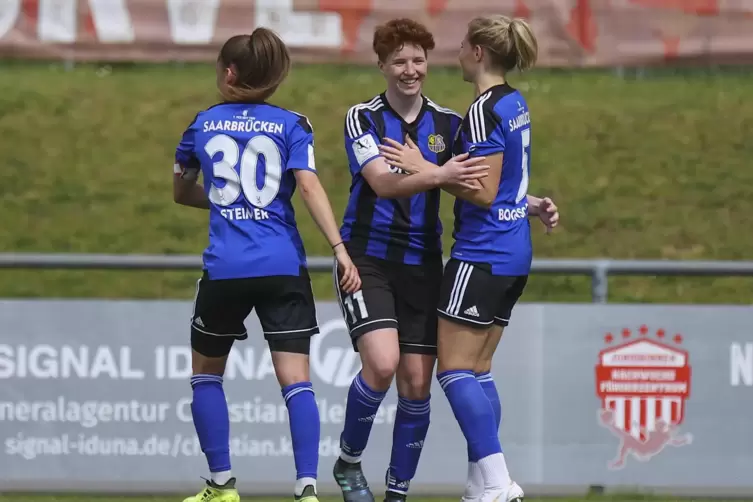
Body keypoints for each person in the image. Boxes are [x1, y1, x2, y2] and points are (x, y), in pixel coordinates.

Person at [333, 17, 556, 502]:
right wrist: (431, 172)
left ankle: (397, 494)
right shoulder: (362, 118)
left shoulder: (451, 123)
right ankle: (349, 463)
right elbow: (383, 183)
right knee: (387, 363)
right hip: (367, 259)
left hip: (424, 263)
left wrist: (528, 200)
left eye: (418, 60)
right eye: (399, 62)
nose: (410, 70)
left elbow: (484, 181)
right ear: (381, 66)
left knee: (418, 383)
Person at [172, 28, 361, 502]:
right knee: (296, 381)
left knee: (206, 375)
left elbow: (181, 192)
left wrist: (226, 204)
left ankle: (221, 486)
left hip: (226, 269)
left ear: (229, 72)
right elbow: (311, 188)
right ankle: (307, 489)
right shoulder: (293, 124)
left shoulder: (202, 124)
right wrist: (339, 249)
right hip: (282, 267)